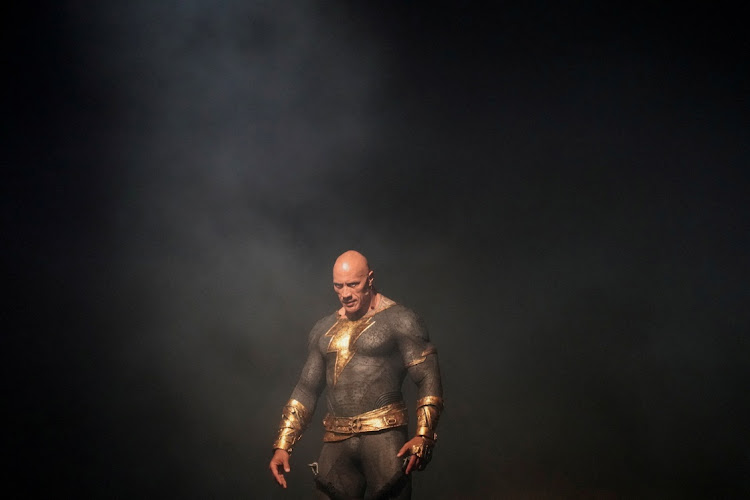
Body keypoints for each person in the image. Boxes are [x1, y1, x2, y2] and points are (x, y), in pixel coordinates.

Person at [269, 250, 444, 499]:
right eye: (338, 286)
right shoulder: (323, 328)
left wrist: (424, 435)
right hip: (336, 440)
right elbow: (306, 388)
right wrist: (283, 445)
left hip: (384, 436)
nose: (346, 294)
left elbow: (427, 376)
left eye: (353, 284)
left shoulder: (400, 319)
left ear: (370, 279)